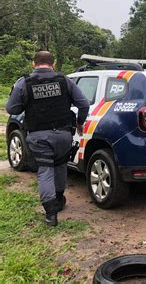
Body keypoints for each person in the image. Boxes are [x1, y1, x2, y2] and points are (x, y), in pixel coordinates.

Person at [6, 51, 89, 226]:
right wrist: (80, 123)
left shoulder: (24, 83)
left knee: (45, 169)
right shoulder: (65, 81)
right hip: (64, 135)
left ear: (33, 63)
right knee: (60, 165)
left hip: (39, 136)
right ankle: (59, 199)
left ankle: (51, 213)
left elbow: (12, 108)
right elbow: (84, 103)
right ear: (54, 63)